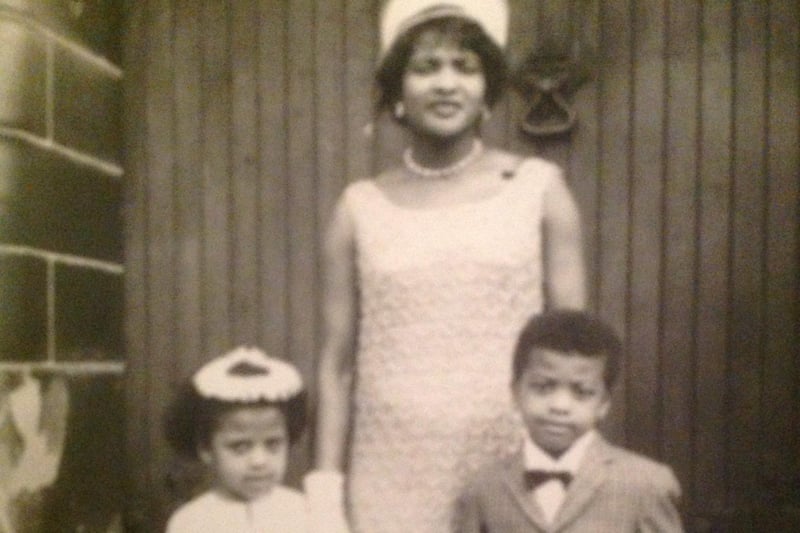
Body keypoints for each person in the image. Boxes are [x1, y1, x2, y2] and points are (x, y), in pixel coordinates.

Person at [307, 1, 587, 532]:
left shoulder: (538, 189)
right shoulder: (358, 207)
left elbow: (575, 356)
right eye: (425, 67)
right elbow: (336, 365)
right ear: (396, 94)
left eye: (465, 67)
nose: (446, 84)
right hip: (389, 472)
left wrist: (567, 474)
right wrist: (325, 493)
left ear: (487, 90)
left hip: (508, 464)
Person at [454, 310, 684, 532]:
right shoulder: (483, 489)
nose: (560, 406)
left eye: (582, 392)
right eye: (543, 387)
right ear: (515, 392)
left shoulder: (645, 484)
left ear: (604, 403)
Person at [164, 346, 309, 533]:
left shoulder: (304, 511)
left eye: (273, 444)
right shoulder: (190, 522)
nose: (259, 461)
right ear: (206, 448)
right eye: (240, 447)